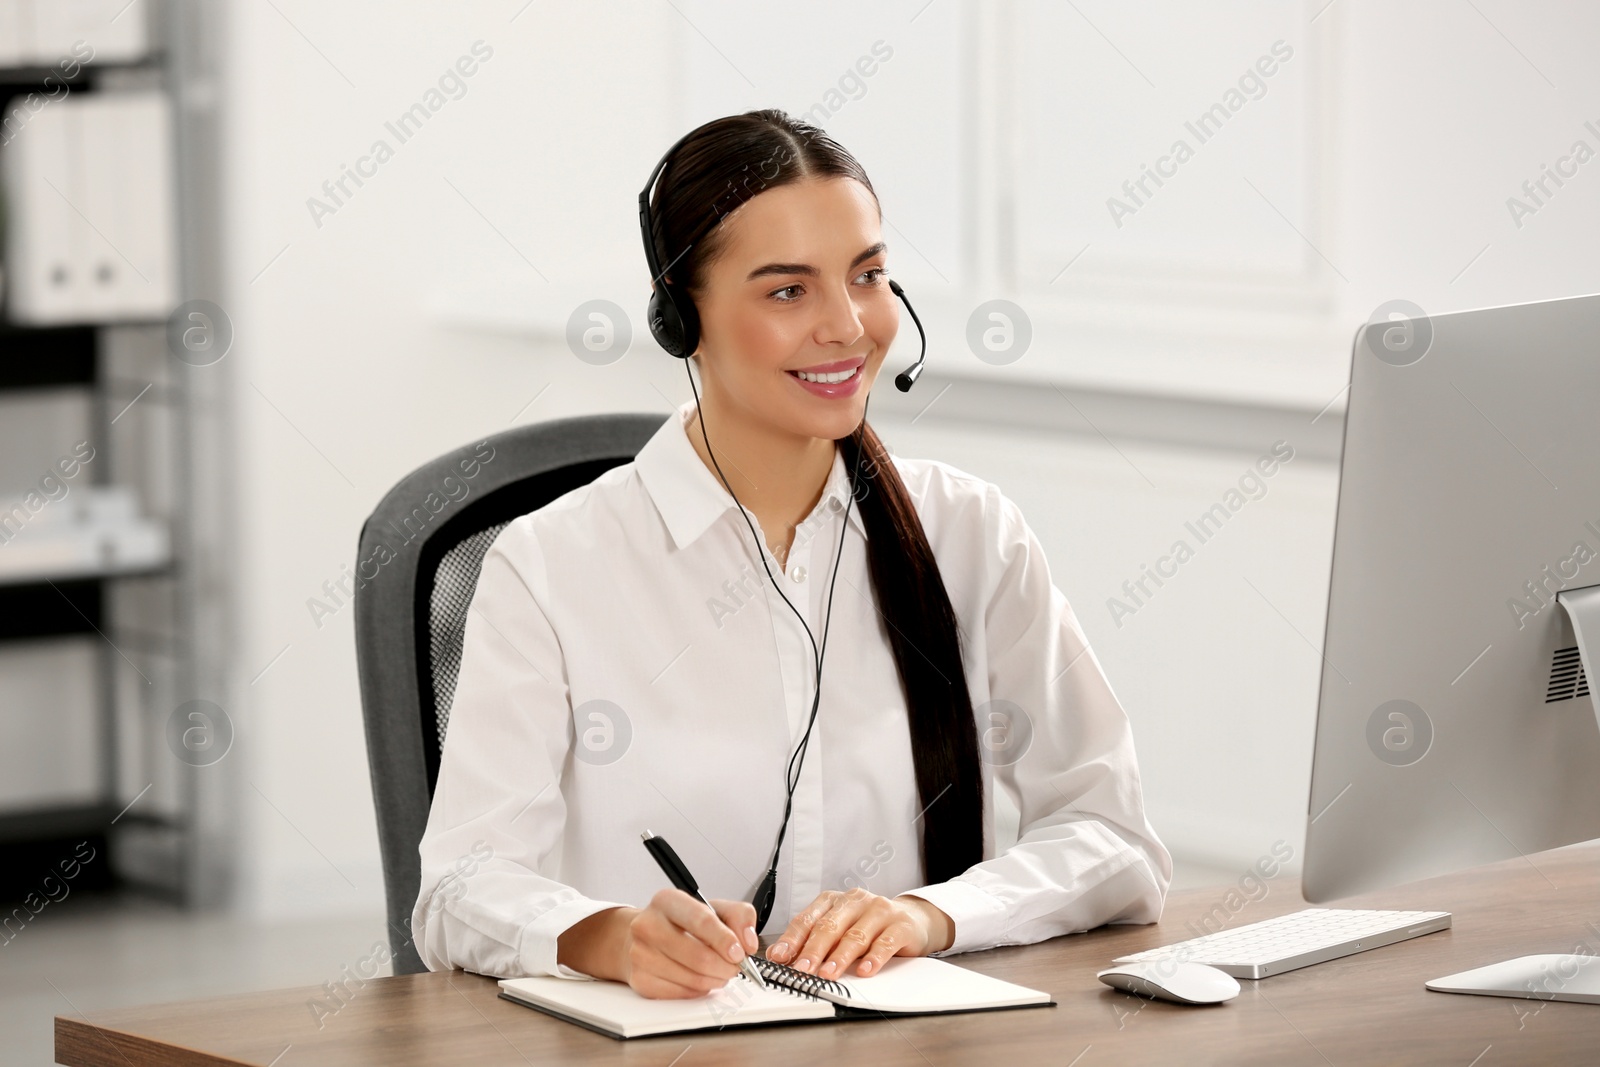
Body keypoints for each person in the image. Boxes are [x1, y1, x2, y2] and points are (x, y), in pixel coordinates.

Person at [412, 109, 1171, 1000]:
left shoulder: (972, 533)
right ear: (679, 317)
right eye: (786, 291)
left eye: (869, 276)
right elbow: (459, 889)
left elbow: (1112, 838)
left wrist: (935, 914)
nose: (848, 326)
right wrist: (608, 936)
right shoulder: (550, 567)